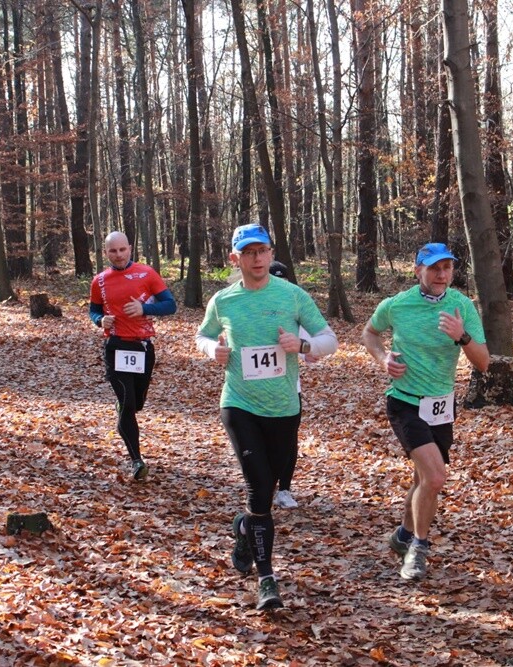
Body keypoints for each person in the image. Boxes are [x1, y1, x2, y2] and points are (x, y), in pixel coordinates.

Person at [196, 223, 337, 610]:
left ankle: (244, 529)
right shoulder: (224, 301)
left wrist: (303, 343)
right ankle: (267, 580)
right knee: (258, 489)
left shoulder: (293, 296)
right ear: (235, 258)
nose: (257, 259)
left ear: (271, 254)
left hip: (283, 408)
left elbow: (330, 340)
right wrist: (213, 351)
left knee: (268, 487)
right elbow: (202, 335)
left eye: (263, 251)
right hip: (239, 404)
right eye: (249, 253)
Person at [361, 242, 490, 581]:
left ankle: (402, 535)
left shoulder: (462, 306)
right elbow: (370, 333)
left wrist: (462, 337)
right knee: (435, 477)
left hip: (442, 406)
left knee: (423, 481)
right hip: (405, 402)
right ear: (418, 270)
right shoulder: (398, 305)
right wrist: (383, 358)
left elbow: (484, 362)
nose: (442, 274)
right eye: (434, 268)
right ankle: (417, 548)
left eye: (447, 267)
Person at [89, 231, 177, 482]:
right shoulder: (100, 281)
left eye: (122, 250)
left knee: (136, 403)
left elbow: (170, 305)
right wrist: (99, 320)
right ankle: (136, 460)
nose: (118, 255)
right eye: (112, 251)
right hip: (115, 346)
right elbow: (93, 310)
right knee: (127, 404)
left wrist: (144, 308)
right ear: (105, 253)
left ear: (130, 248)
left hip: (143, 347)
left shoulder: (146, 273)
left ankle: (124, 408)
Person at [269, 260, 302, 509]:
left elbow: (311, 344)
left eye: (284, 279)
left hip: (290, 389)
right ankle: (262, 486)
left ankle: (285, 489)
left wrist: (307, 350)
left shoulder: (295, 307)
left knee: (289, 440)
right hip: (255, 390)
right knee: (261, 442)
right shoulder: (246, 306)